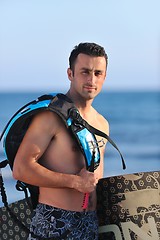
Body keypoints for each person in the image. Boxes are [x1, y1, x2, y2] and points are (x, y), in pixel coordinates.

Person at [13, 42, 109, 240]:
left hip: (90, 223)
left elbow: (94, 181)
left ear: (104, 77)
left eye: (98, 73)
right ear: (70, 74)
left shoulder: (102, 124)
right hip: (53, 221)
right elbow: (21, 169)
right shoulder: (51, 117)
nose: (91, 79)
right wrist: (74, 182)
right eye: (85, 71)